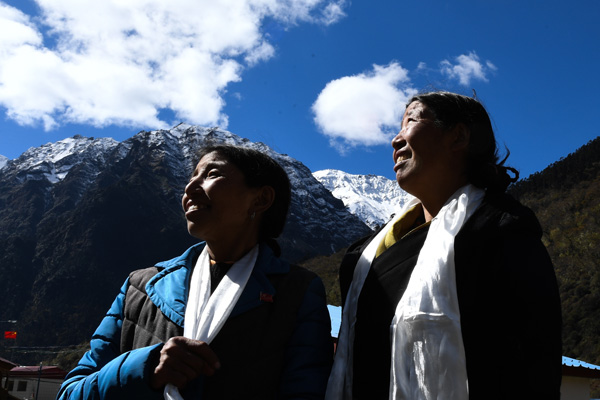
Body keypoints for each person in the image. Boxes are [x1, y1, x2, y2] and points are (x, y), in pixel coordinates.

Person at [326, 91, 562, 399]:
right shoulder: (365, 254)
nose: (396, 140)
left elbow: (535, 364)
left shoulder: (502, 235)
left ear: (458, 136)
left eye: (410, 121)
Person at [57, 144, 333, 400]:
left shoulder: (298, 293)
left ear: (261, 199)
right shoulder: (139, 287)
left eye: (212, 174)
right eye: (192, 176)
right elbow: (70, 393)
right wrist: (145, 367)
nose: (190, 187)